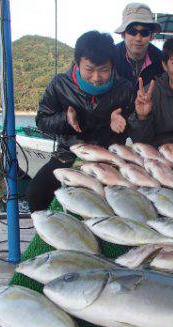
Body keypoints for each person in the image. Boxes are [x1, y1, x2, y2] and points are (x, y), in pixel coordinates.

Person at [26, 31, 132, 212]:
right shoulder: (59, 84)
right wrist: (65, 120)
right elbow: (42, 121)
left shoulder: (124, 88)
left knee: (119, 202)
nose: (97, 78)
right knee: (35, 193)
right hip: (68, 154)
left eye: (104, 70)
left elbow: (135, 129)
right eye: (89, 69)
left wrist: (123, 123)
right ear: (77, 63)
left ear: (112, 66)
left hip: (109, 159)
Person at [114, 3, 164, 88]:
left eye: (145, 32)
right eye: (132, 31)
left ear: (151, 36)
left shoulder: (162, 61)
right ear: (123, 34)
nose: (138, 38)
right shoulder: (110, 57)